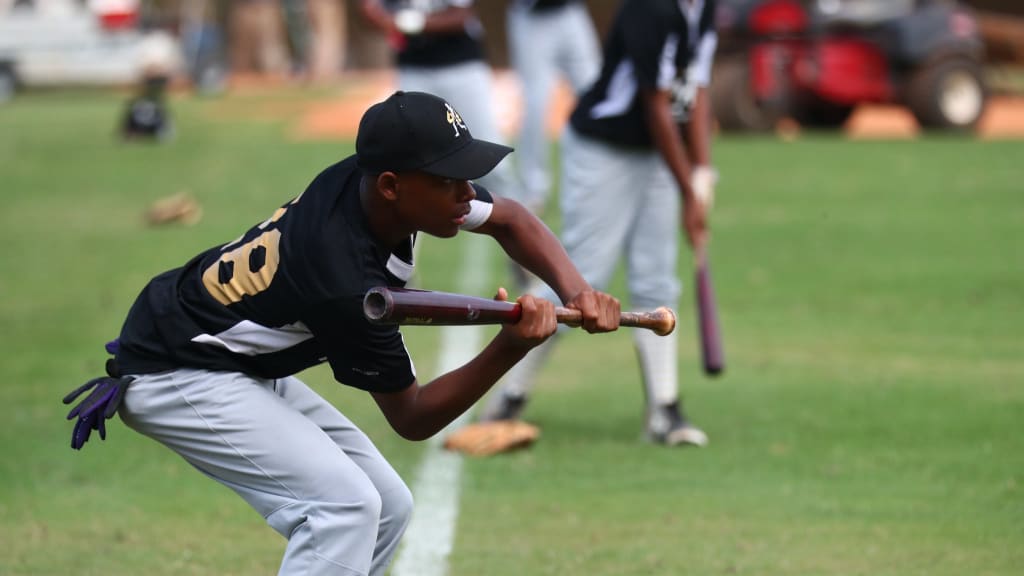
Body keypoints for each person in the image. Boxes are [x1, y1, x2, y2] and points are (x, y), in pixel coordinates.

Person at [62, 91, 621, 576]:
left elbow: (512, 220)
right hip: (179, 371)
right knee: (345, 507)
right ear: (392, 186)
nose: (465, 195)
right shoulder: (342, 280)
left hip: (235, 360)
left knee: (387, 505)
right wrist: (510, 346)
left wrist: (577, 293)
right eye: (448, 180)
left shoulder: (374, 190)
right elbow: (414, 416)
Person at [482, 0, 720, 448]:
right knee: (579, 272)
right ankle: (506, 397)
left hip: (656, 151)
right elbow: (656, 105)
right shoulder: (650, 10)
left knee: (656, 274)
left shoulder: (704, 7)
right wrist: (688, 190)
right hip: (603, 147)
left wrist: (701, 177)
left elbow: (697, 89)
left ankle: (664, 412)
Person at [506, 0, 601, 213]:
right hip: (532, 17)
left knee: (595, 94)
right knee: (535, 105)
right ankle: (533, 188)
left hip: (570, 13)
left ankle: (601, 176)